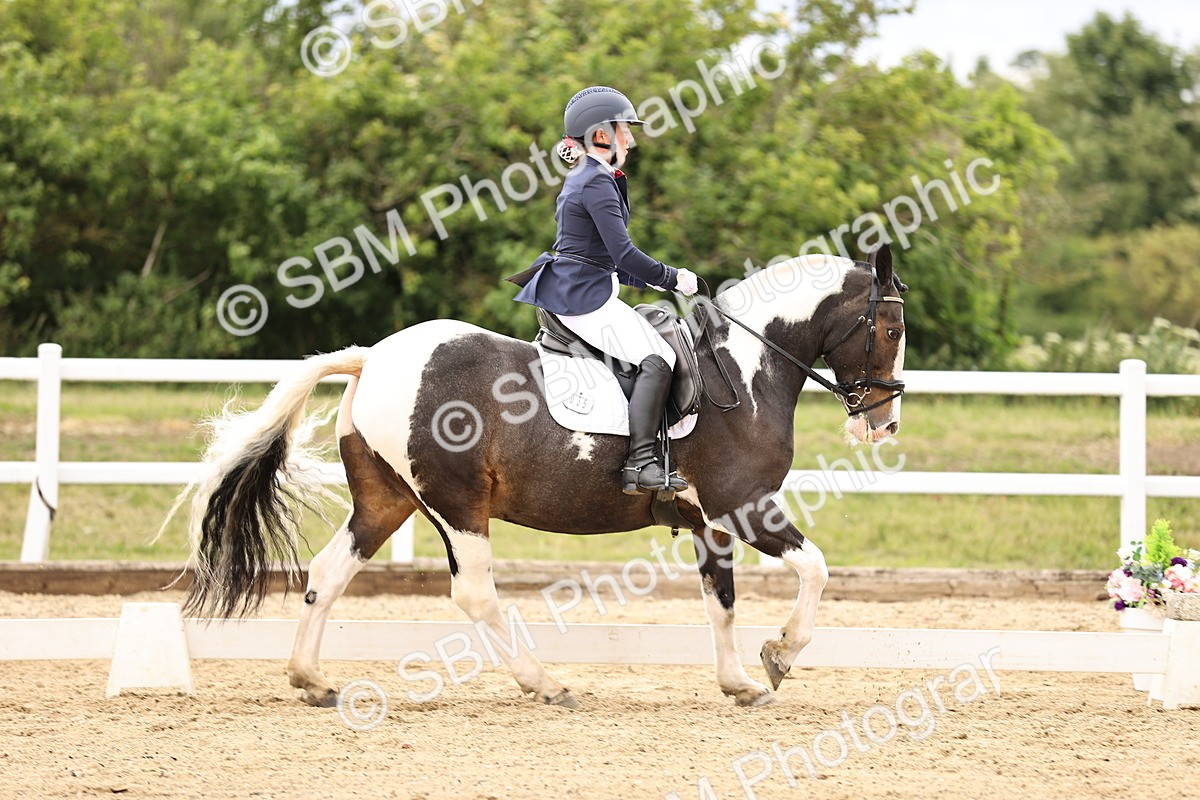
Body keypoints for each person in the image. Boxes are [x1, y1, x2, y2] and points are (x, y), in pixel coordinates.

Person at [511, 86, 699, 495]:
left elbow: (607, 259)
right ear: (600, 135)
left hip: (585, 284)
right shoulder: (594, 181)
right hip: (583, 297)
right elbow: (624, 254)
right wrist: (673, 278)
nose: (630, 139)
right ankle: (641, 464)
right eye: (623, 131)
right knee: (659, 357)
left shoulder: (591, 176)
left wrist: (654, 279)